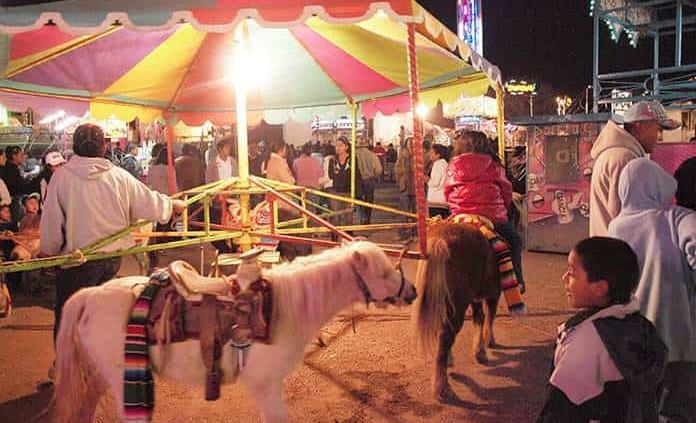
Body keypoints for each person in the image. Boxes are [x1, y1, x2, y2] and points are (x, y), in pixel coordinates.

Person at [40, 123, 186, 347]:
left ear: (75, 147)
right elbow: (150, 203)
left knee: (70, 315)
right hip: (110, 261)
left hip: (76, 263)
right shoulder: (119, 177)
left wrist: (49, 252)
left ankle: (65, 366)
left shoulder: (62, 178)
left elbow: (51, 224)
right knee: (102, 315)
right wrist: (172, 205)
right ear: (103, 147)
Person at [536, 237, 666, 423]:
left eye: (572, 273)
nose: (564, 278)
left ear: (599, 288)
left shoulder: (585, 343)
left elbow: (559, 409)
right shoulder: (643, 327)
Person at [608, 158, 696, 422]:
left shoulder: (616, 227)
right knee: (675, 406)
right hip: (676, 336)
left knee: (640, 406)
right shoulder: (678, 218)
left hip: (632, 340)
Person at [445, 130, 525, 292]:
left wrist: (456, 207)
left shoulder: (453, 165)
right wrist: (503, 205)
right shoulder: (494, 164)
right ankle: (516, 279)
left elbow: (447, 191)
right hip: (492, 217)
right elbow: (506, 190)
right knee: (515, 241)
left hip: (460, 216)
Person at [589, 101, 680, 236]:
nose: (660, 137)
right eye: (659, 130)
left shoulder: (615, 154)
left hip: (607, 249)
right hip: (618, 251)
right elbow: (627, 218)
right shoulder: (625, 158)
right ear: (639, 127)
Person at [328, 137, 358, 231]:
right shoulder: (333, 160)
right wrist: (340, 174)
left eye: (340, 145)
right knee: (335, 217)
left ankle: (349, 238)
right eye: (336, 145)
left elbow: (355, 174)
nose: (337, 148)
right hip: (335, 191)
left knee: (348, 217)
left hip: (348, 191)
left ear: (346, 147)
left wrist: (340, 174)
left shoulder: (352, 159)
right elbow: (331, 175)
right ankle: (335, 239)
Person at [355, 136, 382, 224]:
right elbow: (378, 169)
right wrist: (374, 175)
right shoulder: (372, 155)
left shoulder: (354, 154)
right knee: (369, 200)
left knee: (358, 199)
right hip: (369, 180)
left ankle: (362, 217)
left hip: (357, 180)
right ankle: (368, 219)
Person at [1, 146, 32, 221]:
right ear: (14, 156)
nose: (24, 157)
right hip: (13, 203)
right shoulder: (11, 171)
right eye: (21, 155)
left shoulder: (13, 169)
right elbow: (18, 188)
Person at [395, 136, 416, 239]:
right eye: (409, 143)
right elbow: (397, 169)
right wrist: (400, 180)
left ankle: (415, 232)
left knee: (415, 212)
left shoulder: (418, 156)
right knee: (404, 211)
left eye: (413, 143)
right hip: (405, 187)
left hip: (416, 187)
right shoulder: (402, 156)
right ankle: (403, 233)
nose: (411, 145)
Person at [427, 144, 450, 218]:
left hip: (436, 201)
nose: (430, 154)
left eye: (432, 152)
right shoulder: (445, 164)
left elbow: (435, 183)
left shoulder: (438, 164)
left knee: (436, 225)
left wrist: (426, 179)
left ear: (438, 155)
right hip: (443, 200)